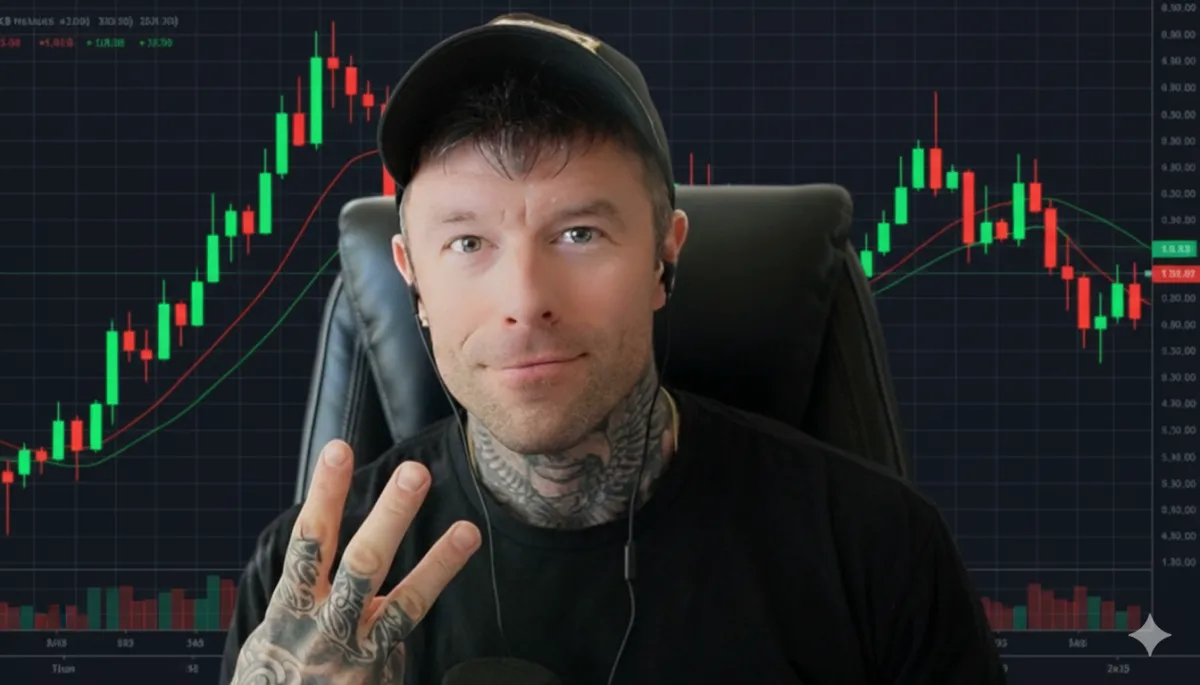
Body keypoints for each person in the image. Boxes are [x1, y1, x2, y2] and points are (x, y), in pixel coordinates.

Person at [219, 12, 1006, 685]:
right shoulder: (308, 594)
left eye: (578, 233)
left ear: (666, 255)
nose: (525, 300)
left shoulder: (882, 551)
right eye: (467, 242)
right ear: (412, 279)